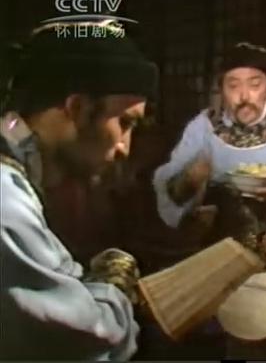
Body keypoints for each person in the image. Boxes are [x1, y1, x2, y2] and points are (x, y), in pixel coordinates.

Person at [153, 41, 266, 358]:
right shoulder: (204, 127)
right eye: (233, 85)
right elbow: (166, 184)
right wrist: (191, 179)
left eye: (254, 84)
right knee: (235, 343)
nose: (244, 96)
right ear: (221, 89)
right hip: (226, 258)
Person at [0, 22, 158, 360]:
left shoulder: (17, 179)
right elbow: (83, 342)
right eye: (125, 123)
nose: (125, 147)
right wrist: (114, 287)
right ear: (78, 109)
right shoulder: (5, 201)